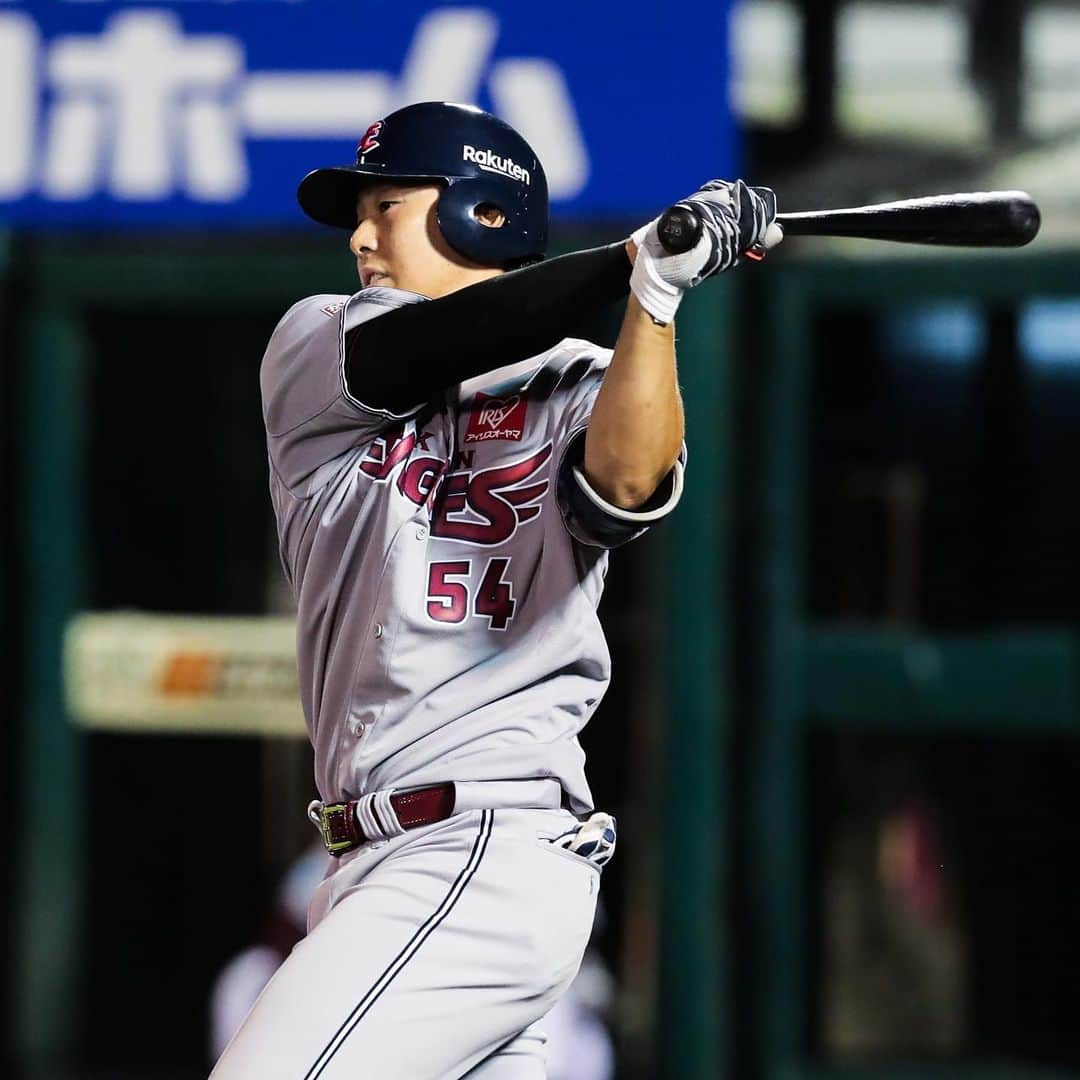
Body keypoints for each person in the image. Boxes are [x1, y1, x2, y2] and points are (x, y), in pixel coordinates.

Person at [211, 101, 780, 1079]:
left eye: (385, 207)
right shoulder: (314, 347)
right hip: (365, 860)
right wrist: (630, 258)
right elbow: (422, 351)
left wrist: (656, 296)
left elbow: (626, 490)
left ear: (476, 215)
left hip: (480, 845)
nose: (358, 236)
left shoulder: (581, 379)